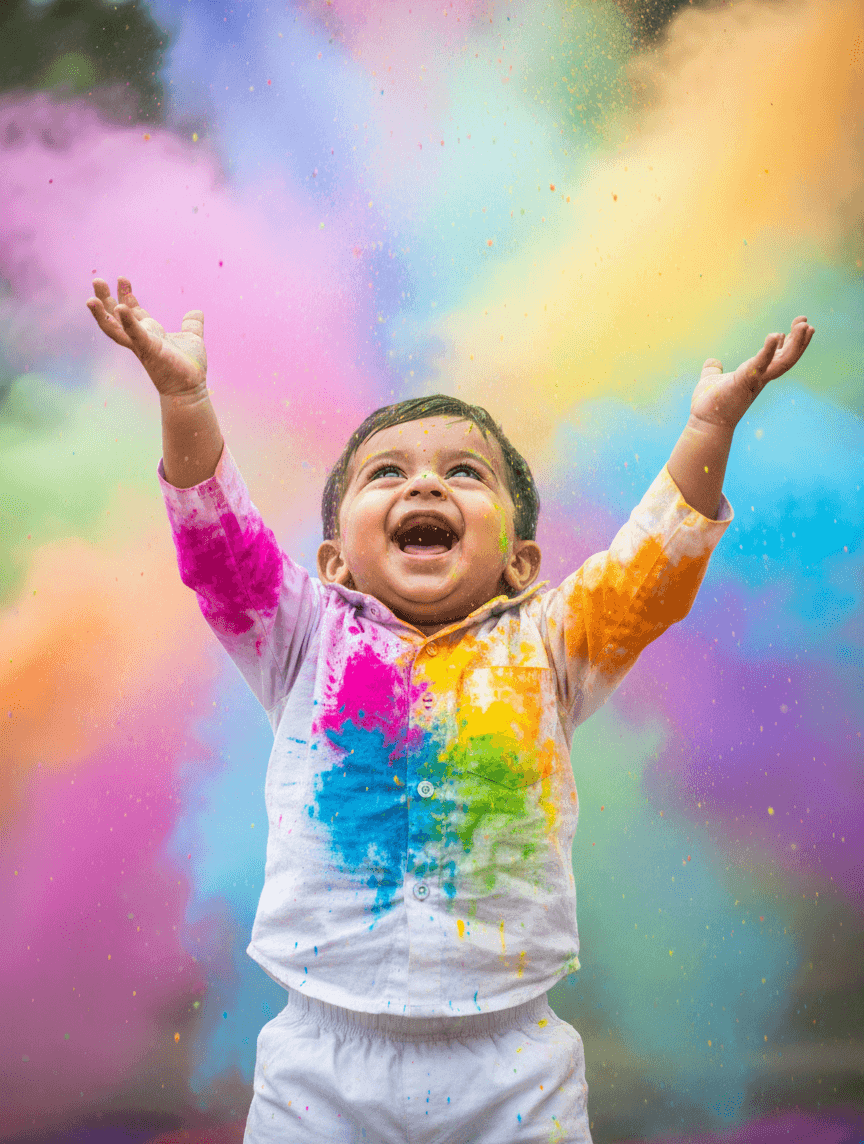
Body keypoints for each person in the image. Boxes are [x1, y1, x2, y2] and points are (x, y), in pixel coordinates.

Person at [87, 277, 813, 1144]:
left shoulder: (551, 642)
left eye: (464, 474)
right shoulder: (300, 635)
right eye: (386, 473)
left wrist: (709, 430)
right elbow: (218, 545)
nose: (425, 485)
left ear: (520, 560)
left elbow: (652, 572)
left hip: (512, 1068)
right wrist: (185, 398)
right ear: (336, 561)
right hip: (321, 1065)